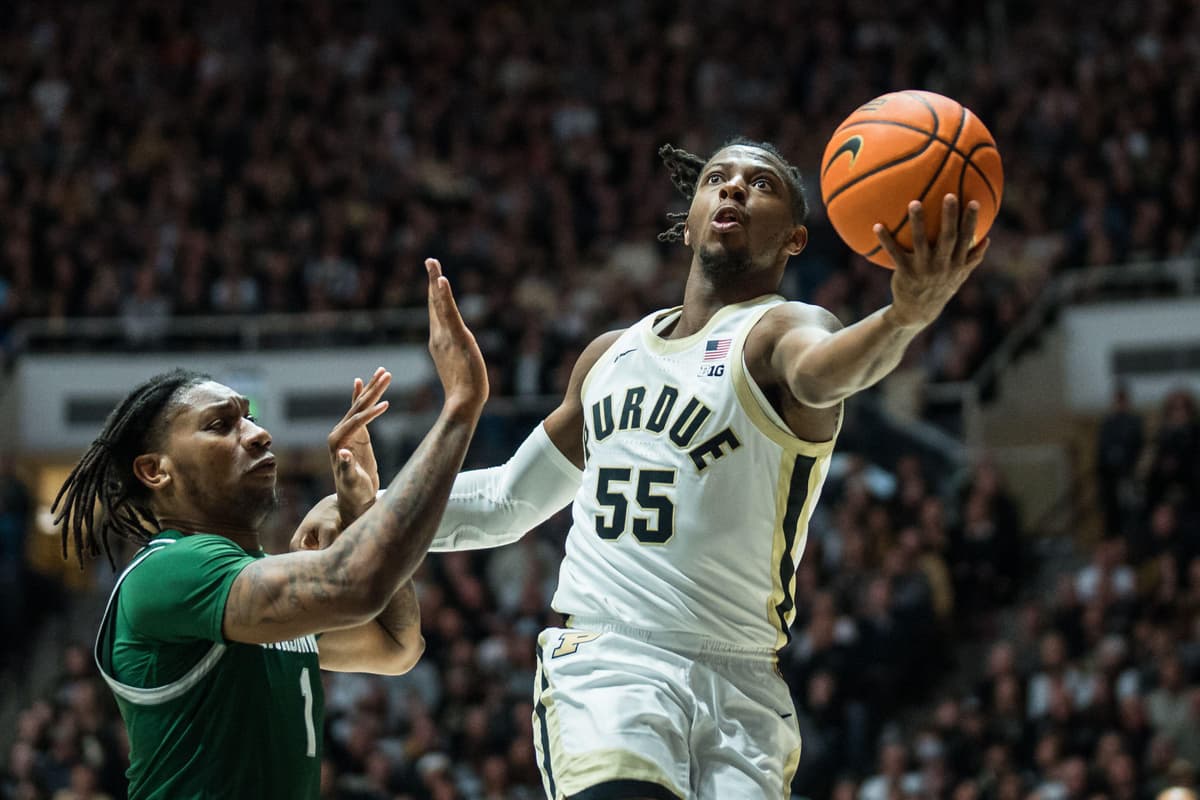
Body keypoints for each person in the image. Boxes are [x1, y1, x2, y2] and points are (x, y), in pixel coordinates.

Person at [426, 138, 990, 799]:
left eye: (762, 184)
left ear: (795, 240)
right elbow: (505, 501)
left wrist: (901, 319)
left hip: (744, 684)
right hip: (613, 665)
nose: (734, 187)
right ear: (689, 223)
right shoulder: (608, 357)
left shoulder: (782, 330)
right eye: (716, 178)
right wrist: (369, 515)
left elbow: (824, 372)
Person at [52, 261, 487, 800]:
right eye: (221, 425)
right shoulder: (171, 570)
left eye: (250, 417)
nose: (259, 435)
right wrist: (459, 410)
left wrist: (362, 510)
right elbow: (355, 586)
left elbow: (398, 647)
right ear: (155, 470)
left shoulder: (250, 588)